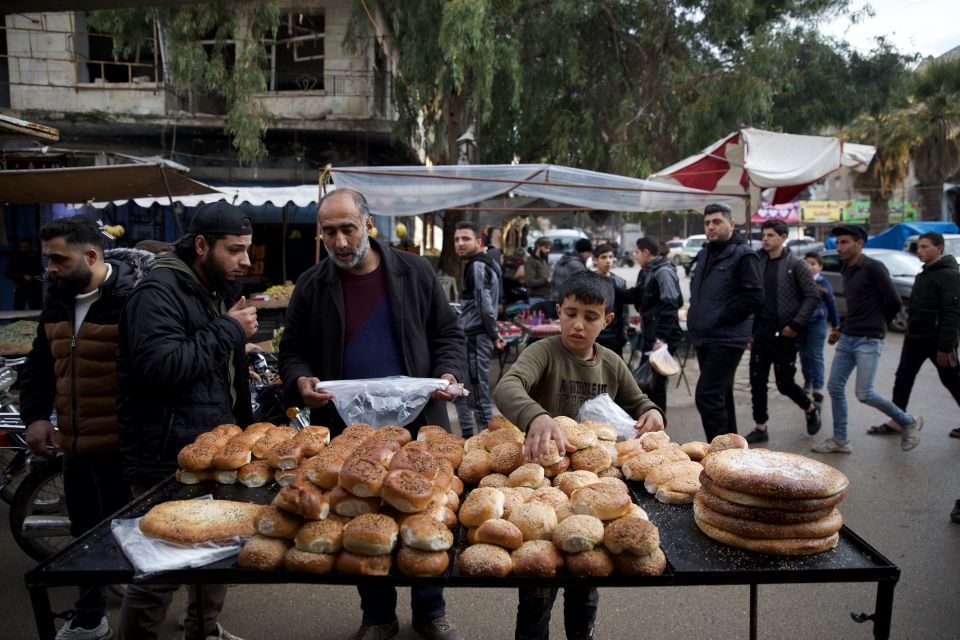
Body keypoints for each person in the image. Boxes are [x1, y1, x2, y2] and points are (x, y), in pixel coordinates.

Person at [277, 189, 465, 640]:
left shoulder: (414, 272)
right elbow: (294, 350)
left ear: (369, 224)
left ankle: (430, 611)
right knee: (362, 513)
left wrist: (447, 371)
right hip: (351, 429)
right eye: (329, 232)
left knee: (425, 511)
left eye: (348, 229)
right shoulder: (312, 284)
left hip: (420, 422)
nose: (340, 242)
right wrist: (301, 381)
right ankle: (377, 615)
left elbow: (447, 333)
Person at [493, 270, 664, 640]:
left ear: (608, 320)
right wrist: (536, 416)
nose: (577, 325)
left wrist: (652, 411)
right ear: (559, 311)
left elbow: (639, 401)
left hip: (594, 489)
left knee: (586, 577)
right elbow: (507, 386)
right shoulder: (543, 352)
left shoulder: (612, 363)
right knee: (538, 586)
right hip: (538, 487)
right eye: (570, 313)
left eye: (590, 317)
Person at [117, 201, 257, 640]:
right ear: (201, 245)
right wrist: (230, 331)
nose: (246, 261)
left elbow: (204, 361)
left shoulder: (211, 289)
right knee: (159, 569)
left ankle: (204, 630)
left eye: (247, 250)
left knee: (217, 552)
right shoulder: (157, 292)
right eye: (235, 250)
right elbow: (159, 367)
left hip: (213, 449)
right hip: (165, 455)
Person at [18, 216, 148, 640]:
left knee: (127, 543)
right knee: (82, 537)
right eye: (47, 259)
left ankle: (137, 625)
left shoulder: (133, 299)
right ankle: (90, 618)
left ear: (91, 255)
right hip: (74, 447)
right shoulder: (57, 300)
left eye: (58, 259)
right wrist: (36, 416)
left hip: (122, 452)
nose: (49, 268)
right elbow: (39, 366)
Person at [812, 224, 922, 454]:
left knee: (865, 393)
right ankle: (841, 440)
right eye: (838, 242)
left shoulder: (873, 267)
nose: (839, 247)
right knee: (834, 387)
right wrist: (841, 328)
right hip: (848, 337)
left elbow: (893, 301)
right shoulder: (847, 269)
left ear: (859, 244)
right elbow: (856, 307)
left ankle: (907, 421)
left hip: (868, 339)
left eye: (844, 242)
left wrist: (878, 325)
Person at [868, 232, 960, 439]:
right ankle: (898, 420)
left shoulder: (950, 275)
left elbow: (953, 314)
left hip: (938, 341)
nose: (919, 251)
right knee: (903, 378)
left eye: (925, 247)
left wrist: (946, 347)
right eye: (918, 247)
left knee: (952, 380)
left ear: (939, 248)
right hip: (915, 338)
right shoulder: (924, 273)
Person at [686, 203, 763, 441]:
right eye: (707, 223)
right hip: (705, 336)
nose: (711, 227)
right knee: (720, 395)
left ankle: (719, 454)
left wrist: (720, 317)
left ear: (731, 224)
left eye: (717, 222)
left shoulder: (744, 255)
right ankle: (732, 450)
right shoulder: (705, 253)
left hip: (727, 338)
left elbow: (754, 297)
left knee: (707, 395)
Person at [745, 220, 820, 445]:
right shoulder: (758, 261)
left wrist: (795, 325)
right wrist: (749, 332)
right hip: (761, 332)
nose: (765, 239)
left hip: (785, 334)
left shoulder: (795, 264)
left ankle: (809, 407)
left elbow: (812, 296)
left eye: (770, 235)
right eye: (763, 235)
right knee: (757, 382)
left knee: (785, 383)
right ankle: (761, 427)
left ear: (783, 237)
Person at [453, 220, 505, 437]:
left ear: (479, 241)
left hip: (476, 337)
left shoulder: (478, 266)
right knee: (462, 390)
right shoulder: (478, 263)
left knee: (476, 392)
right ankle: (467, 437)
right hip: (472, 335)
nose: (460, 243)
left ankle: (485, 441)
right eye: (456, 239)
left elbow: (485, 307)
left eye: (466, 238)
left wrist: (494, 335)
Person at [628, 236, 684, 412]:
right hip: (651, 334)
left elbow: (671, 305)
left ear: (646, 252)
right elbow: (637, 295)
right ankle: (650, 419)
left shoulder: (663, 272)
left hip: (662, 338)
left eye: (637, 252)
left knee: (656, 383)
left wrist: (660, 339)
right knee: (648, 382)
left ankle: (659, 424)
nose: (634, 255)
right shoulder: (648, 270)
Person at [797, 251, 840, 408]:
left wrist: (836, 324)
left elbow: (831, 303)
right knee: (804, 354)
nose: (809, 266)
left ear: (820, 267)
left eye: (813, 264)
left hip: (818, 324)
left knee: (815, 355)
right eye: (806, 263)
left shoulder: (822, 282)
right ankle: (808, 380)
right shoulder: (798, 281)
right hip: (801, 324)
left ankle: (818, 386)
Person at [593, 243, 628, 357]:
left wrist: (624, 330)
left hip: (614, 335)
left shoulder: (619, 282)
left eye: (610, 257)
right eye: (603, 257)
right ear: (595, 260)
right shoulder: (588, 281)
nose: (608, 261)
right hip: (594, 334)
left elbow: (624, 310)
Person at [6, 237, 44, 310]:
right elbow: (8, 273)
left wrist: (38, 276)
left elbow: (42, 271)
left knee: (36, 307)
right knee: (18, 308)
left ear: (30, 246)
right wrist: (22, 276)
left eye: (25, 247)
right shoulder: (15, 256)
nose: (23, 249)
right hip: (21, 286)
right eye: (21, 247)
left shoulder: (35, 255)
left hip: (35, 287)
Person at [550, 238, 592, 303]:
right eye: (588, 252)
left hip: (555, 298)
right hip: (565, 302)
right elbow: (582, 287)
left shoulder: (564, 259)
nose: (590, 255)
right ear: (582, 252)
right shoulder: (577, 265)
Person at [525, 237, 553, 306]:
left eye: (549, 248)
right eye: (546, 248)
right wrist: (546, 280)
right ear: (538, 247)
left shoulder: (543, 260)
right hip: (536, 299)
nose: (548, 250)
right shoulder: (531, 261)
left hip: (546, 297)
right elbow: (529, 282)